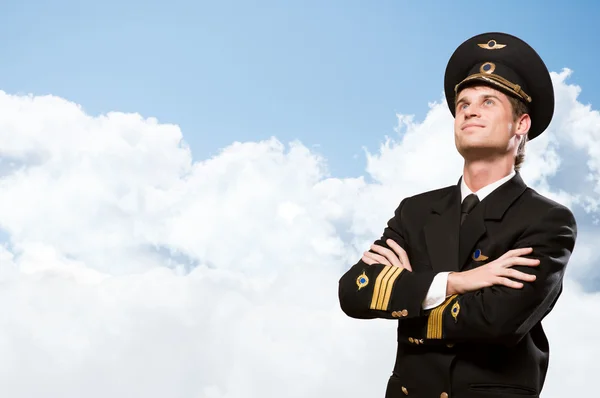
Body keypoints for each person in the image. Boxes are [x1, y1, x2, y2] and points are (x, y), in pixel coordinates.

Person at [338, 32, 577, 398]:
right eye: (463, 103)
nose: (469, 110)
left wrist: (410, 295)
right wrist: (455, 282)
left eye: (488, 101)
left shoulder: (547, 221)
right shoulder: (416, 210)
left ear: (521, 125)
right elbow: (353, 292)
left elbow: (499, 322)